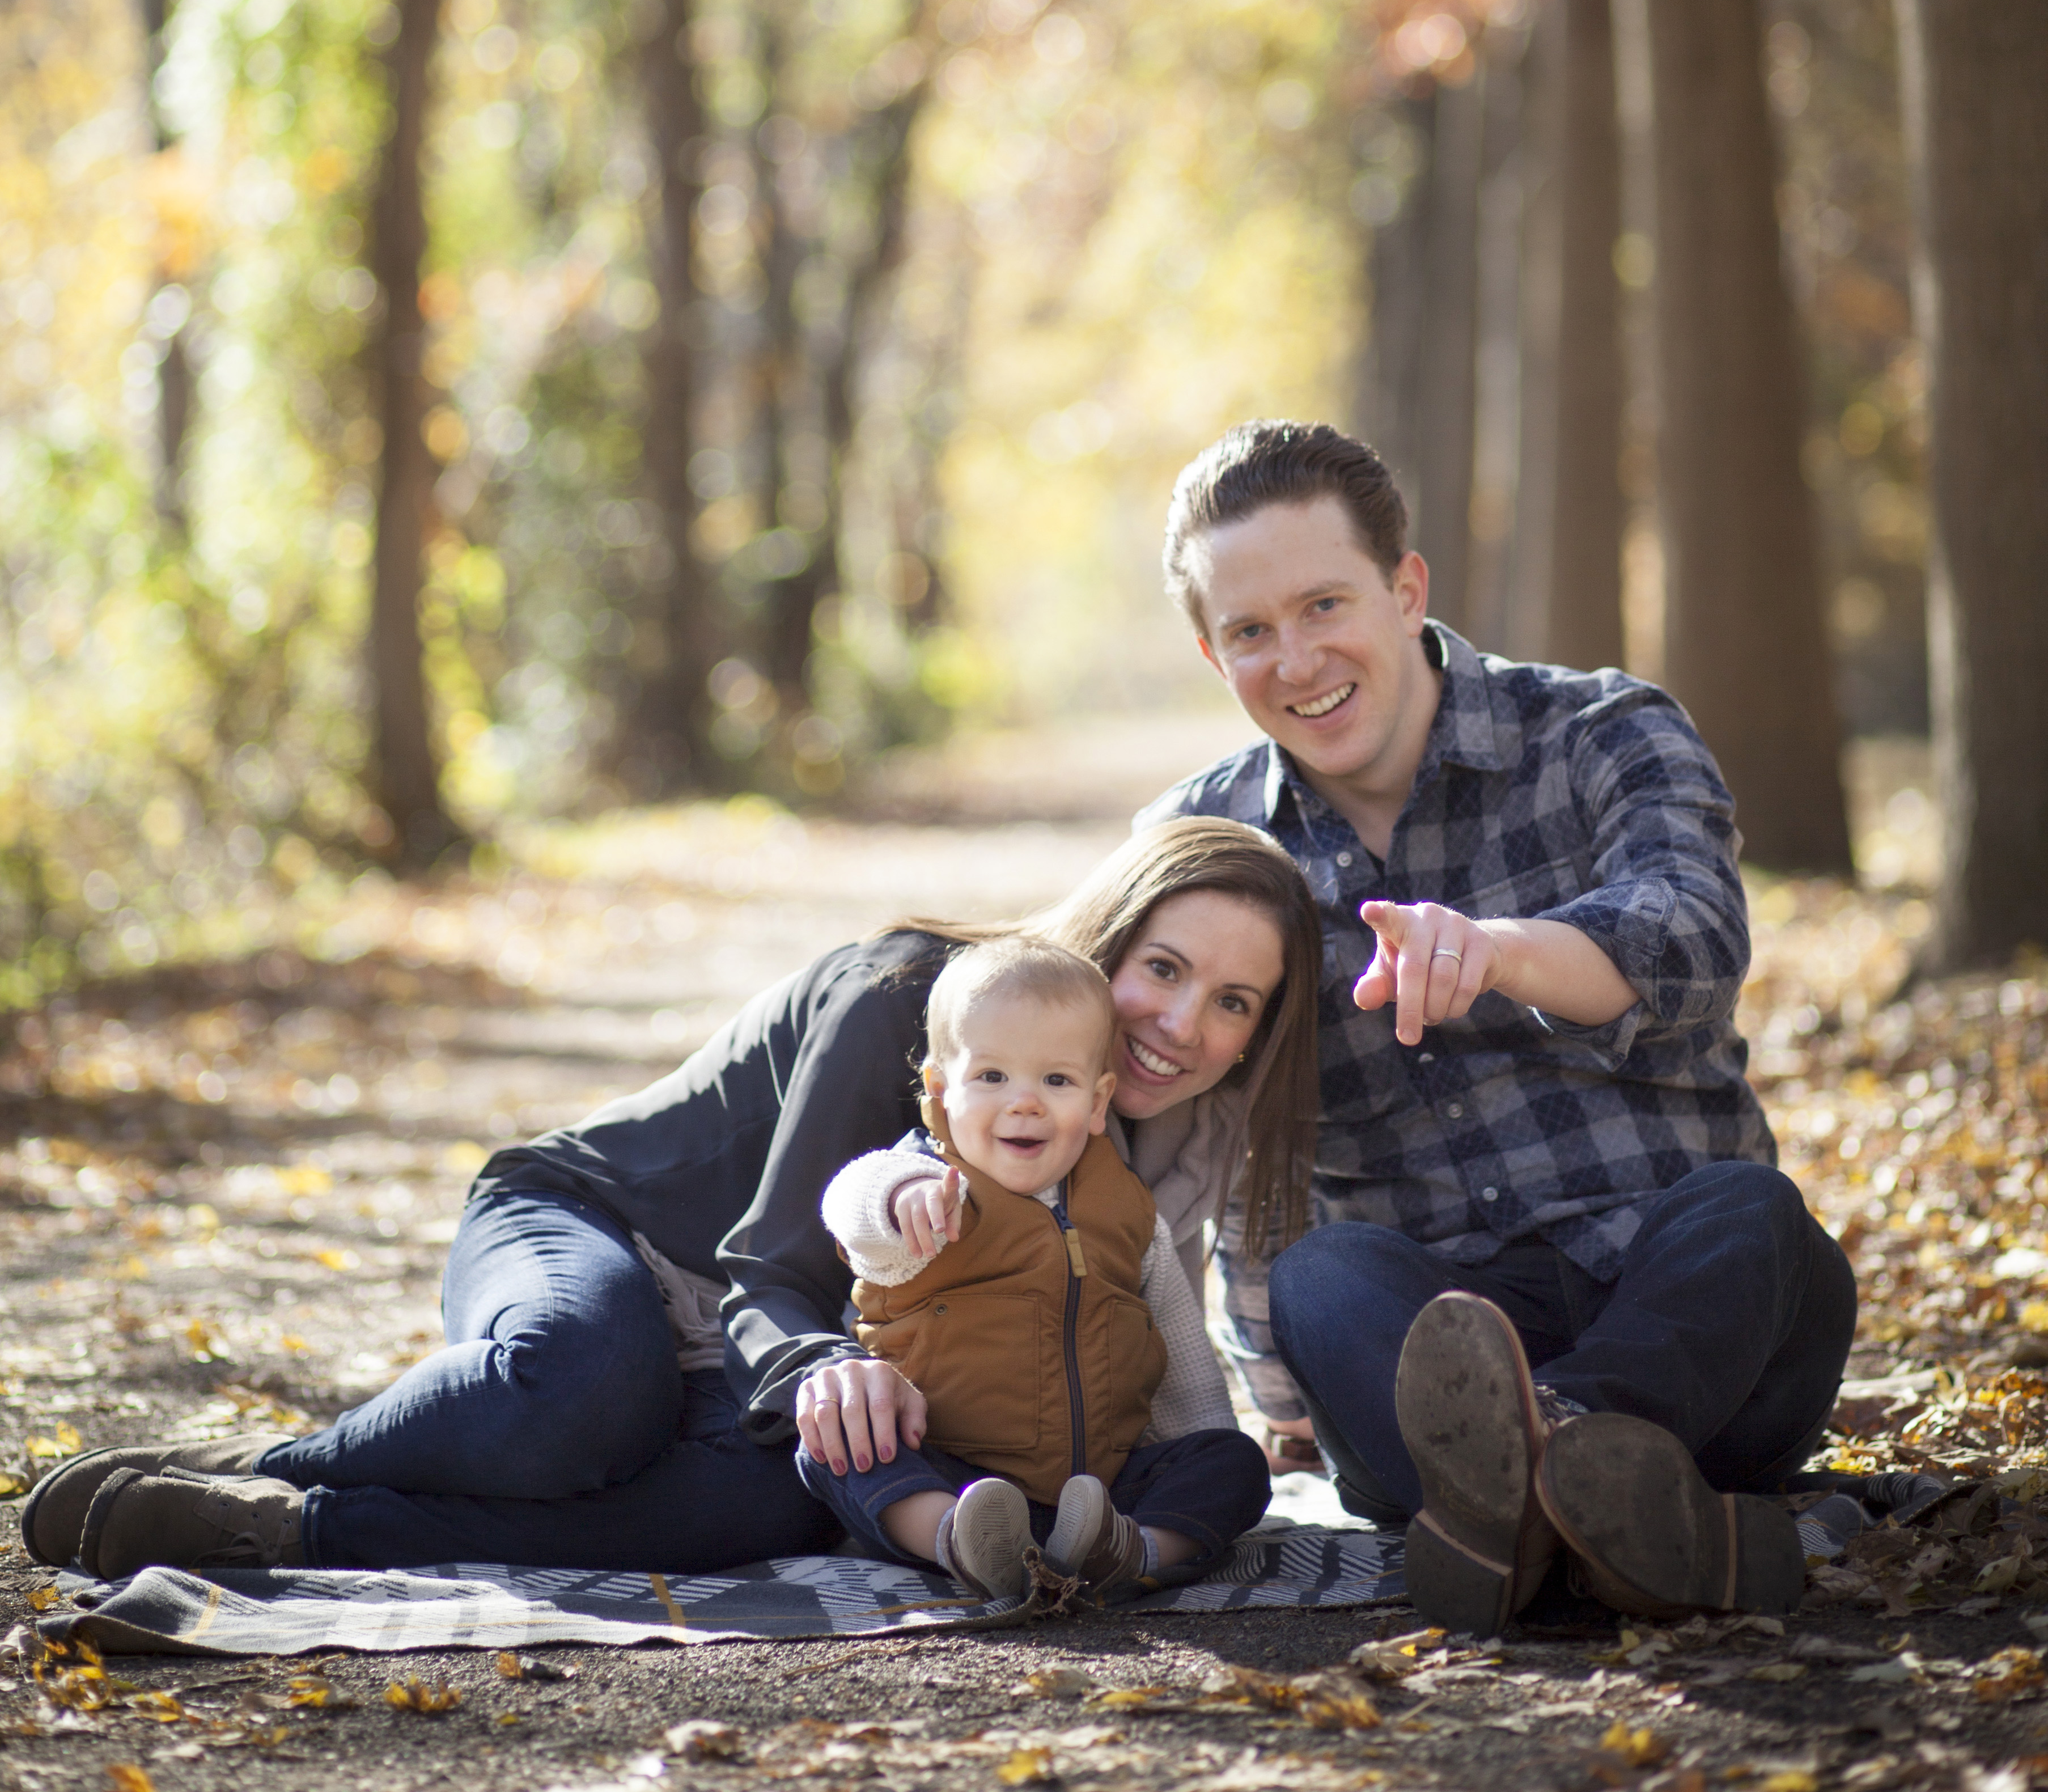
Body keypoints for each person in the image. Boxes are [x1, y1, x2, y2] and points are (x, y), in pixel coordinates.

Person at [38, 818, 1322, 1586]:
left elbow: (1127, 1335)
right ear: (1108, 937)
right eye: (1163, 967)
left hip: (742, 1367)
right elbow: (773, 1267)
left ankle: (296, 1527)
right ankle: (276, 1464)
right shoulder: (905, 1004)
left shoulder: (1150, 1140)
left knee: (769, 1505)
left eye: (1233, 1003)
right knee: (593, 1391)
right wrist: (822, 1359)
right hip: (605, 1230)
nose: (1181, 1023)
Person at [1137, 417, 1858, 1636]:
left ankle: (1523, 1500)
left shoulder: (1601, 731)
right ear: (1213, 655)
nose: (1297, 658)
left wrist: (1504, 949)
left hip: (1696, 1323)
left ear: (1405, 587)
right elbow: (1159, 1087)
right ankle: (1639, 1525)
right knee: (1329, 1274)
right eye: (1251, 632)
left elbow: (1693, 940)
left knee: (1753, 1218)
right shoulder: (1208, 849)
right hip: (1430, 1366)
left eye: (1324, 604)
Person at [802, 937, 1270, 1603]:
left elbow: (1181, 1347)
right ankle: (955, 1541)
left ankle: (1132, 1550)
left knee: (1232, 1460)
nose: (1024, 1102)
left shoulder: (1128, 1211)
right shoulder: (930, 1189)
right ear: (940, 1089)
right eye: (992, 1077)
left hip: (1102, 1489)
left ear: (1099, 1099)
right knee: (839, 1451)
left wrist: (1203, 1442)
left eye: (1056, 1080)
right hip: (953, 1468)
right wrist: (899, 1198)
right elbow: (850, 1203)